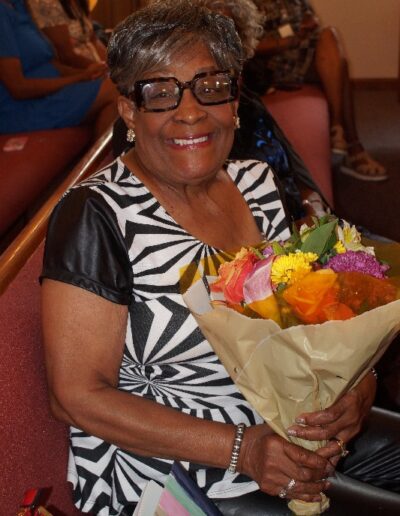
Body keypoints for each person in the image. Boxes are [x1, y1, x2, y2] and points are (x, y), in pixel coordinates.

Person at [40, 1, 400, 515]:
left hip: (287, 421)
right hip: (169, 471)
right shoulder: (97, 214)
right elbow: (75, 396)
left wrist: (358, 388)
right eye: (160, 92)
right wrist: (242, 449)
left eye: (210, 86)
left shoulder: (257, 182)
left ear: (235, 101)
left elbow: (306, 319)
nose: (190, 111)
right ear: (128, 111)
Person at [251, 0, 387, 182]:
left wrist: (309, 24)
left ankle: (338, 131)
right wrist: (286, 41)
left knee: (330, 35)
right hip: (271, 66)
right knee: (340, 69)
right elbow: (245, 45)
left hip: (301, 55)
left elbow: (311, 18)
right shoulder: (246, 3)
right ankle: (351, 145)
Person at [0, 0, 118, 138]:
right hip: (21, 108)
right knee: (115, 88)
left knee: (115, 97)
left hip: (51, 93)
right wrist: (78, 78)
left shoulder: (19, 5)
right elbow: (18, 88)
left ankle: (103, 157)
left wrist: (89, 74)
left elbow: (51, 64)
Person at [27, 0, 108, 71]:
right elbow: (67, 56)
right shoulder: (47, 3)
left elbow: (93, 39)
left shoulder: (79, 2)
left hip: (97, 66)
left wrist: (113, 64)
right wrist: (105, 70)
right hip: (75, 72)